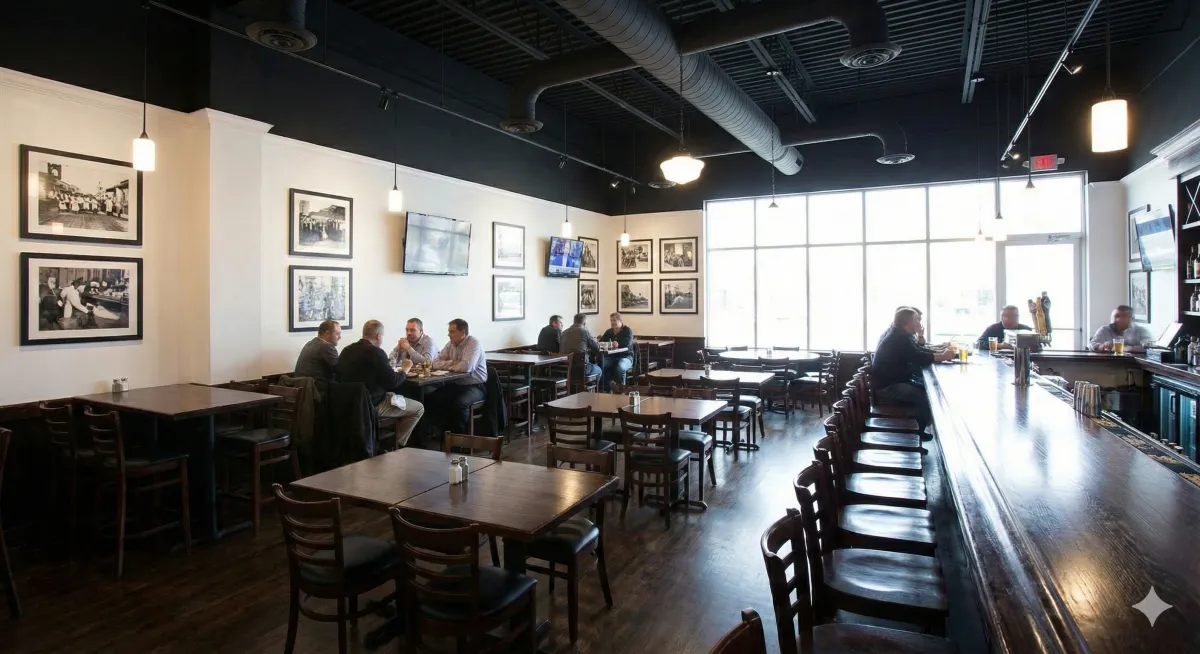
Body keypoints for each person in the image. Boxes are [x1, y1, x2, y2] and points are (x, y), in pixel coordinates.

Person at [336, 320, 425, 448]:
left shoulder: (346, 351)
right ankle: (395, 445)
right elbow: (393, 382)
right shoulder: (376, 353)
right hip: (373, 404)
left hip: (349, 403)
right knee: (418, 408)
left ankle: (386, 441)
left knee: (395, 396)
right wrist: (405, 369)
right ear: (378, 336)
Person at [872, 308, 955, 431]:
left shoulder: (901, 334)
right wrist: (942, 356)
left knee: (928, 390)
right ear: (909, 322)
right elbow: (918, 357)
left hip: (895, 381)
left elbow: (918, 351)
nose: (919, 323)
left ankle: (917, 430)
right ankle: (916, 432)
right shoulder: (899, 337)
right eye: (916, 319)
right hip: (888, 387)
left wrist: (941, 354)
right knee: (927, 398)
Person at [427, 319, 488, 435]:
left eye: (452, 331)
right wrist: (453, 363)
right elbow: (434, 363)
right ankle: (444, 433)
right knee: (432, 399)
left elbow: (466, 367)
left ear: (462, 332)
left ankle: (461, 438)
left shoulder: (473, 344)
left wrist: (451, 364)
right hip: (456, 385)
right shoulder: (451, 344)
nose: (448, 334)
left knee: (460, 404)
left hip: (475, 386)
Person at [1089, 305, 1155, 353]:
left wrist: (1129, 348)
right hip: (1109, 364)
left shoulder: (1141, 331)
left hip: (1134, 365)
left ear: (1130, 319)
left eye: (1123, 316)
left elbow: (1150, 347)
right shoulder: (1104, 330)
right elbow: (1092, 344)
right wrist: (1102, 346)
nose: (1118, 320)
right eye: (1116, 316)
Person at [598, 312, 635, 391]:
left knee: (620, 367)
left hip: (626, 356)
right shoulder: (609, 332)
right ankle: (606, 389)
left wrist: (618, 344)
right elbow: (601, 342)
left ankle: (621, 390)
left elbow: (627, 344)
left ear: (620, 320)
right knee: (602, 365)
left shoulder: (627, 331)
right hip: (612, 357)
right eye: (611, 321)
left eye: (614, 320)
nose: (612, 323)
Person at [561, 313, 603, 382]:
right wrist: (595, 340)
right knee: (599, 370)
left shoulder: (563, 333)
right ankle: (591, 391)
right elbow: (597, 348)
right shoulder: (585, 331)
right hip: (582, 369)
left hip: (565, 369)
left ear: (574, 322)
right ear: (584, 323)